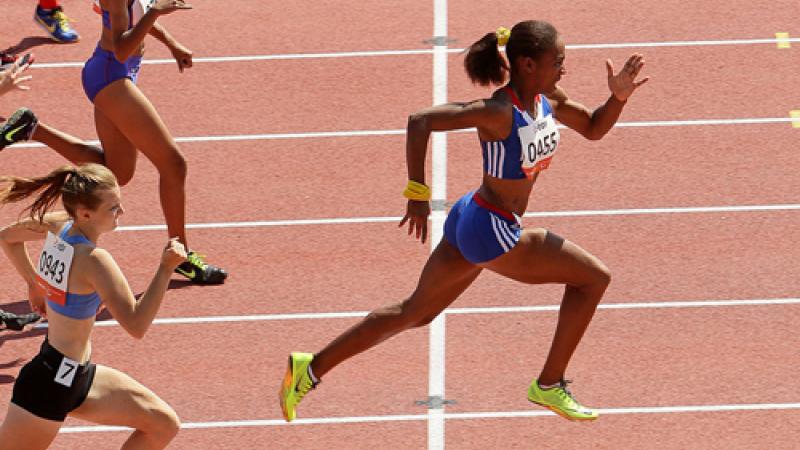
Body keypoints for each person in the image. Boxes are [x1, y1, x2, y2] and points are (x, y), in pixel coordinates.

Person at [279, 20, 649, 422]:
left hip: (472, 217)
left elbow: (594, 128)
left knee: (415, 313)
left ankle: (309, 368)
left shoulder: (549, 100)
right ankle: (549, 384)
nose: (564, 68)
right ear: (527, 64)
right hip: (492, 229)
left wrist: (618, 98)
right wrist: (417, 194)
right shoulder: (498, 112)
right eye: (557, 61)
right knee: (593, 278)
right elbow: (420, 121)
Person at [0, 0, 227, 284]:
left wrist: (171, 42)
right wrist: (157, 11)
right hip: (111, 75)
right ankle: (180, 255)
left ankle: (32, 128)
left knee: (119, 173)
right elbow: (121, 48)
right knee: (174, 164)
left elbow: (131, 19)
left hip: (118, 72)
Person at [0, 163, 183, 449]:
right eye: (113, 208)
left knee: (163, 424)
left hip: (76, 375)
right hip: (49, 383)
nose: (121, 213)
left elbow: (8, 238)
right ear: (85, 213)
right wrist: (166, 267)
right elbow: (137, 325)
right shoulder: (95, 260)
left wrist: (34, 282)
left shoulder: (61, 225)